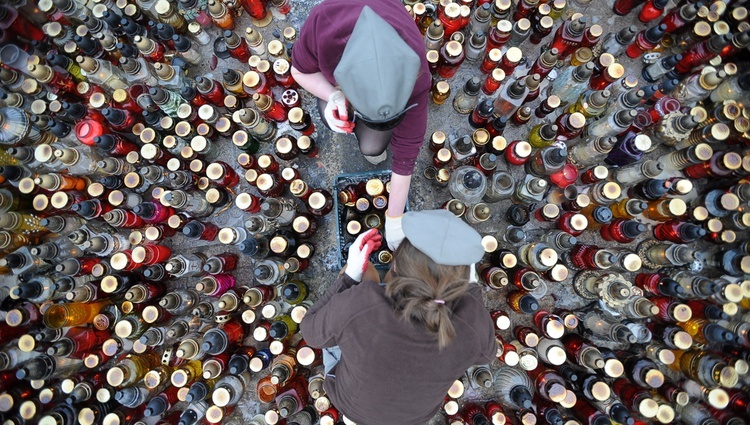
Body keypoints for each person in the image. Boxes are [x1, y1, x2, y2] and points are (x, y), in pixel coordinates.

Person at [300, 210, 497, 425]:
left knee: (367, 275)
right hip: (414, 417)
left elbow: (311, 332)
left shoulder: (362, 303)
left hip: (353, 406)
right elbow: (486, 355)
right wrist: (472, 289)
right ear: (461, 279)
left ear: (395, 265)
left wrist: (349, 277)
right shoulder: (472, 322)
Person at [291, 0, 431, 250]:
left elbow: (407, 150)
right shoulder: (323, 22)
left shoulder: (415, 69)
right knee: (328, 116)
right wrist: (332, 95)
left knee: (372, 147)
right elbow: (300, 71)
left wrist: (395, 217)